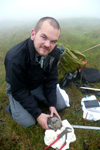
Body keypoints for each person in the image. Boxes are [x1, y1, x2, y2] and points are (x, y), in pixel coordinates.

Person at [4, 17, 68, 129]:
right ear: (33, 34)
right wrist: (37, 114)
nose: (48, 45)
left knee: (60, 105)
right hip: (19, 87)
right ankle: (14, 104)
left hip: (38, 82)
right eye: (44, 37)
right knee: (28, 122)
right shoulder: (14, 58)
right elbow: (18, 90)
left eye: (53, 41)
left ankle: (38, 99)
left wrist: (52, 105)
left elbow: (51, 79)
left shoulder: (53, 53)